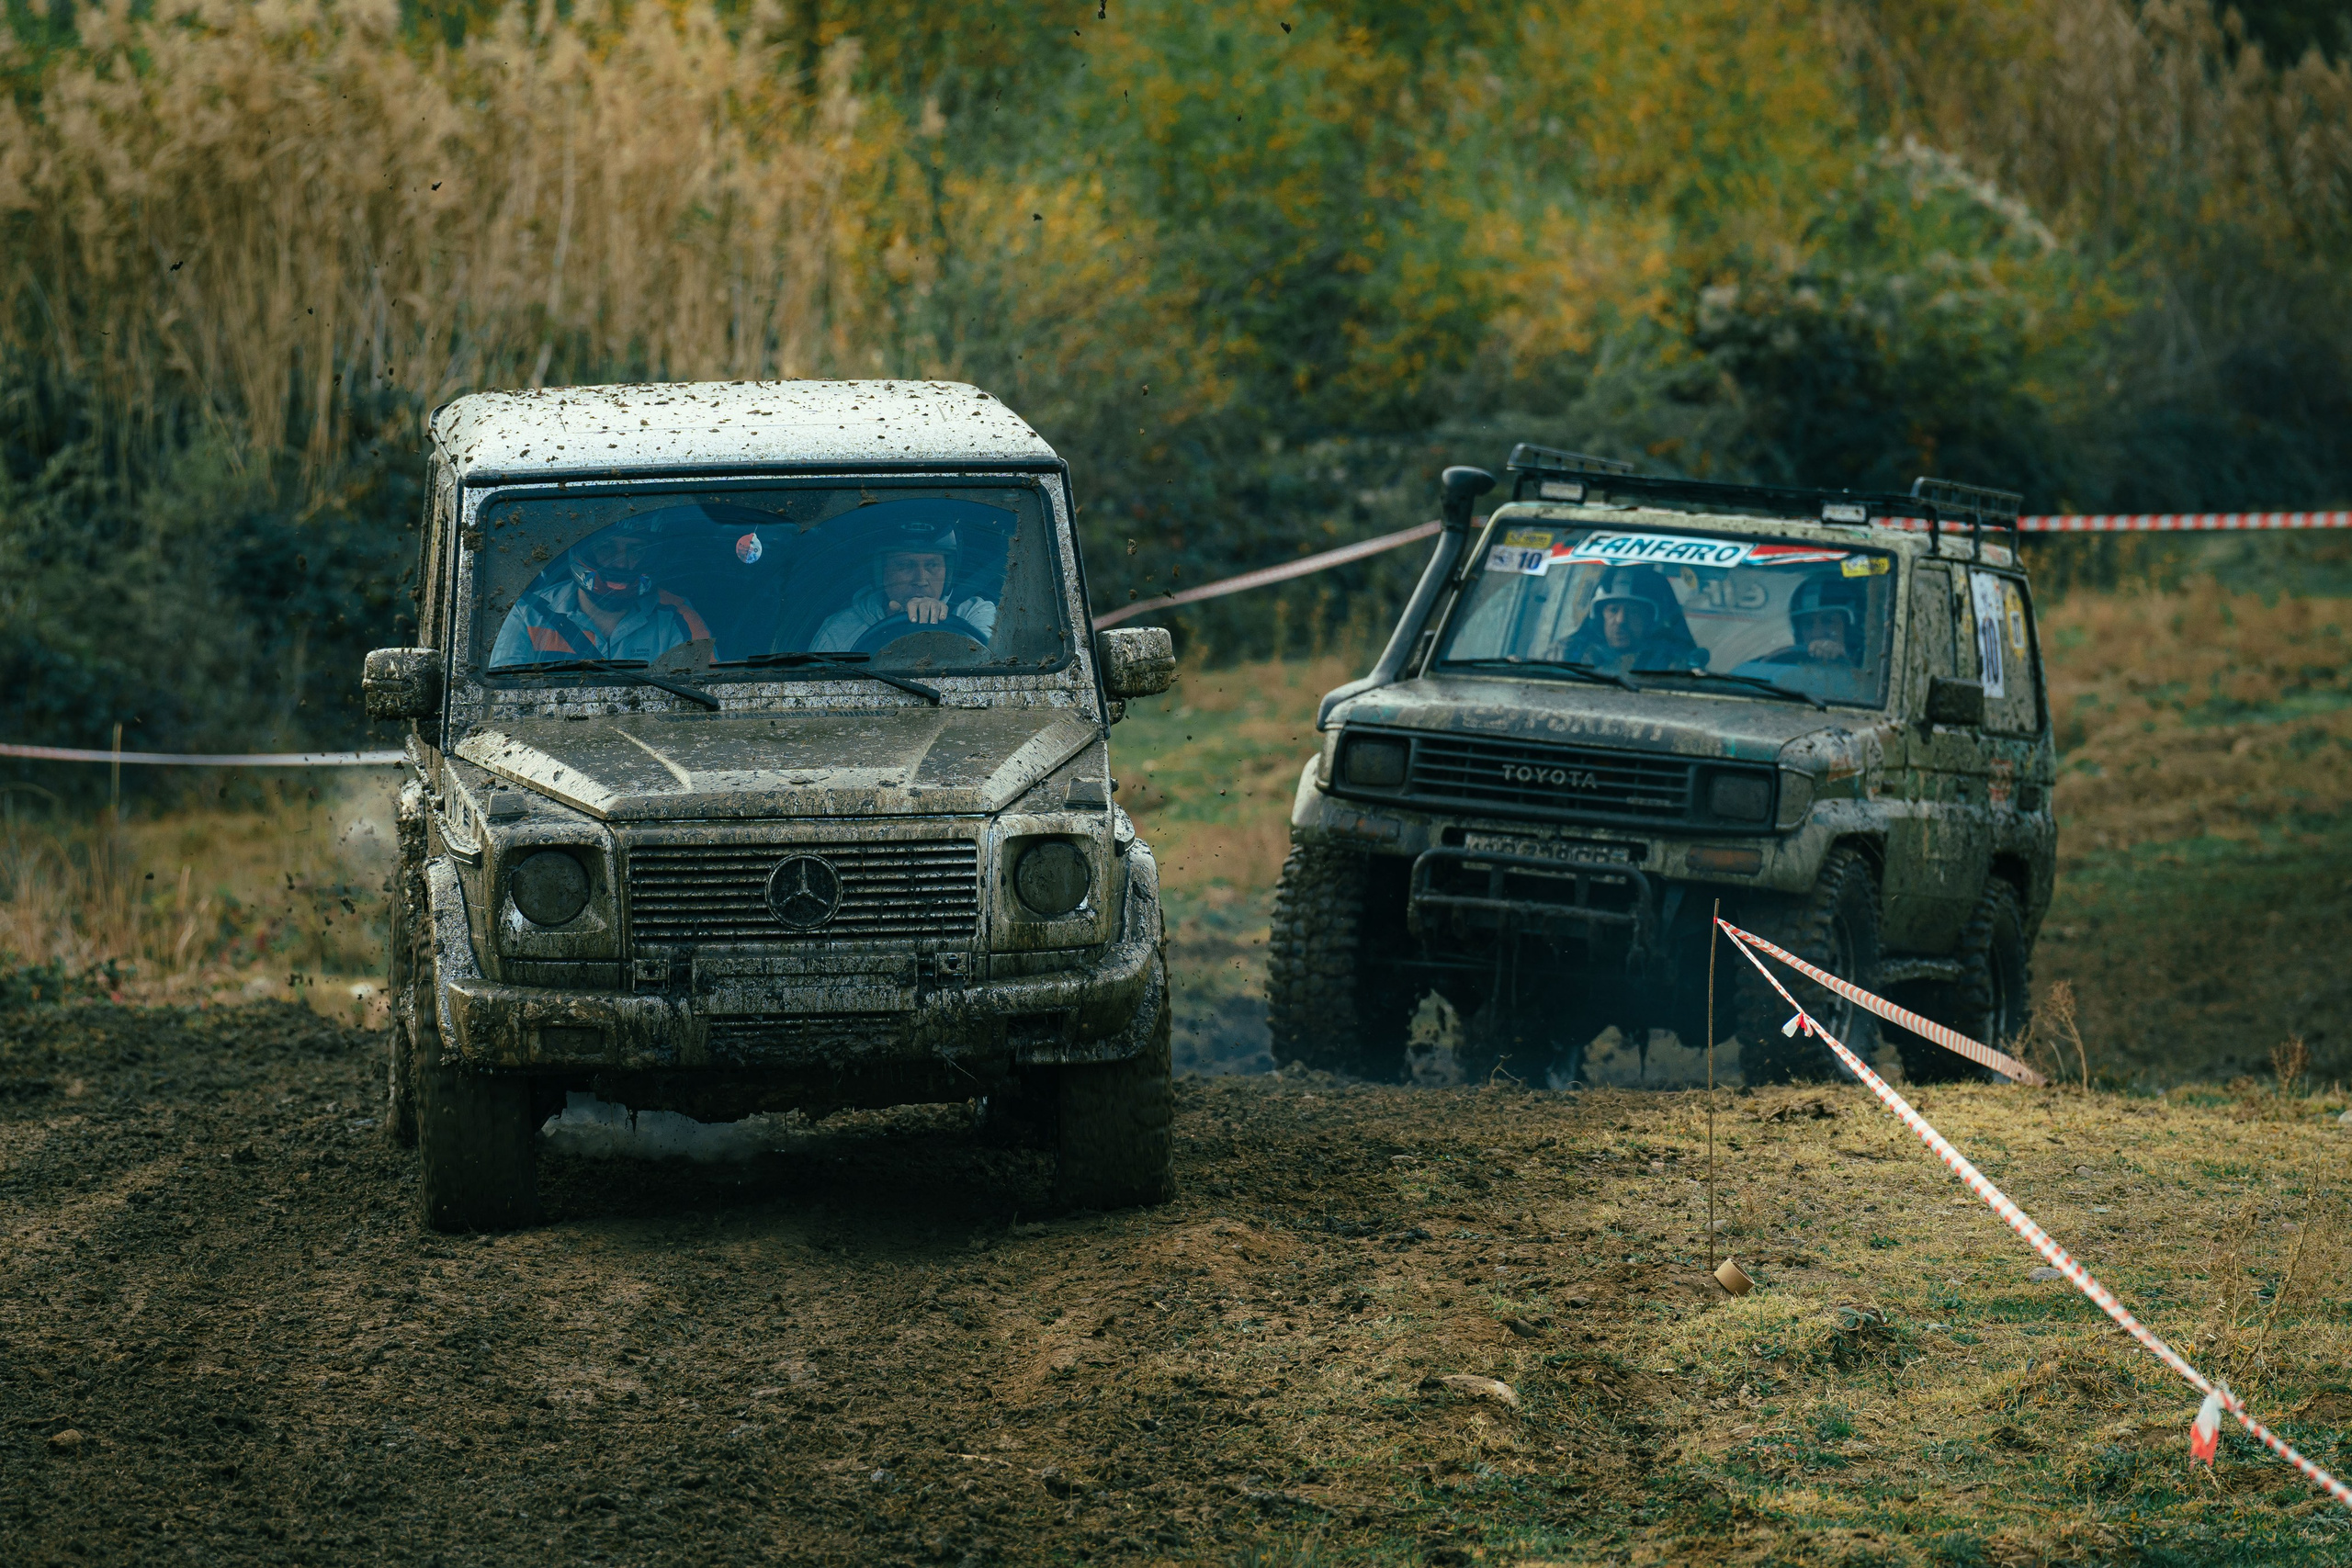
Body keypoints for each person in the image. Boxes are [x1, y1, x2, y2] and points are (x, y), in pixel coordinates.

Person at [491, 521, 709, 667]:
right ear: (585, 551)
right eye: (606, 548)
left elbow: (708, 695)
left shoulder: (675, 616)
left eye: (636, 551)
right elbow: (501, 704)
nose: (622, 564)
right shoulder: (529, 614)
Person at [810, 521, 998, 652]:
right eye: (905, 565)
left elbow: (994, 682)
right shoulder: (840, 628)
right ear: (881, 571)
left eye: (932, 565)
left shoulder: (975, 614)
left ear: (948, 572)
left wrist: (938, 625)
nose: (921, 579)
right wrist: (892, 630)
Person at [1551, 566, 1702, 671]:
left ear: (1651, 620)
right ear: (1599, 617)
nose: (1620, 620)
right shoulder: (1565, 654)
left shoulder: (1674, 664)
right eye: (1613, 610)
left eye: (1634, 612)